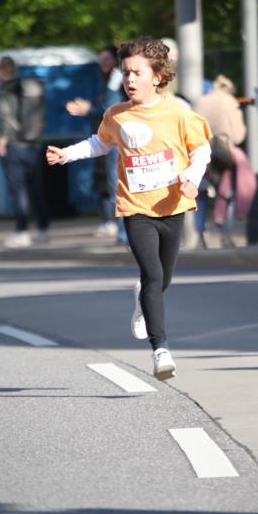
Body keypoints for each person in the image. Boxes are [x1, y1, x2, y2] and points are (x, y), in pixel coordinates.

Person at [46, 37, 211, 380]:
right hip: (135, 207)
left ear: (158, 76)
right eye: (125, 74)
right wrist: (68, 154)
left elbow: (201, 150)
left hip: (172, 205)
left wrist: (192, 176)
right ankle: (161, 350)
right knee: (152, 275)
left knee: (163, 278)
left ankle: (142, 298)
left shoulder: (178, 112)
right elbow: (100, 143)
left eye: (137, 73)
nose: (130, 80)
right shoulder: (116, 114)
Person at [66, 45, 127, 243]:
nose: (104, 64)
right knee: (112, 184)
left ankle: (124, 233)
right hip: (110, 137)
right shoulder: (107, 79)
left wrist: (89, 110)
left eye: (107, 59)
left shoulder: (118, 77)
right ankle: (121, 230)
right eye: (101, 60)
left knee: (116, 184)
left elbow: (109, 107)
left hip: (119, 138)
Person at [0, 55, 50, 248]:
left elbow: (5, 116)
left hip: (15, 145)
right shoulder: (26, 88)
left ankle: (22, 230)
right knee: (36, 189)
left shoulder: (6, 90)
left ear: (0, 72)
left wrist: (3, 138)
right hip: (33, 145)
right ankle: (44, 229)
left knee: (18, 190)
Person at [193, 75, 248, 246]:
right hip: (223, 152)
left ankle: (200, 235)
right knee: (225, 193)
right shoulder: (230, 101)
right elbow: (238, 134)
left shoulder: (200, 101)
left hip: (200, 149)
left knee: (200, 193)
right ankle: (225, 234)